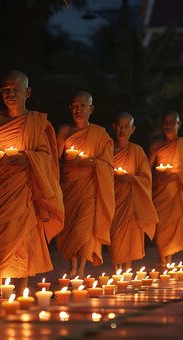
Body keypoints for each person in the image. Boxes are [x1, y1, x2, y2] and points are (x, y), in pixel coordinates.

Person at [0, 71, 64, 292]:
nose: (10, 93)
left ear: (27, 92)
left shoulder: (38, 123)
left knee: (25, 234)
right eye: (6, 89)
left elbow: (47, 158)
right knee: (0, 234)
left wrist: (27, 157)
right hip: (2, 188)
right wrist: (1, 160)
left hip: (26, 189)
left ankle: (22, 287)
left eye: (16, 89)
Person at [56, 91, 114, 277]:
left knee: (84, 229)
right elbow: (54, 160)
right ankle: (72, 266)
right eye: (75, 106)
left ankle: (80, 269)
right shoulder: (64, 131)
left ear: (91, 109)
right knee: (70, 229)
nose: (78, 110)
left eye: (83, 106)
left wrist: (93, 163)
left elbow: (107, 164)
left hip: (89, 187)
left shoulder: (100, 134)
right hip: (68, 186)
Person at [148, 111, 183, 266]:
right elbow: (146, 169)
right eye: (165, 122)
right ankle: (162, 257)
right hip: (160, 190)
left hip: (176, 191)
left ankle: (167, 259)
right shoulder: (156, 146)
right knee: (160, 227)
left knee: (172, 226)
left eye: (172, 122)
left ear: (179, 125)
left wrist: (177, 175)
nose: (168, 126)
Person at [110, 112, 158, 271]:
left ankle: (127, 269)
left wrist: (131, 179)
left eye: (126, 127)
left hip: (132, 201)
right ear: (114, 127)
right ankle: (117, 270)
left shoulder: (137, 152)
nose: (122, 130)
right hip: (113, 199)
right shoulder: (107, 149)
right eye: (120, 126)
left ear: (133, 129)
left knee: (130, 235)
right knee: (115, 235)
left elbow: (146, 177)